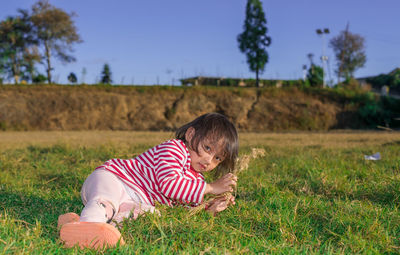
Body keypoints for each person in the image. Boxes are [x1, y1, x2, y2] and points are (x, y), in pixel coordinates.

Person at [58, 112, 239, 249]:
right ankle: (89, 223)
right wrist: (209, 188)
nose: (209, 160)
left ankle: (87, 228)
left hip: (133, 200)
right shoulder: (175, 149)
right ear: (191, 135)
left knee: (150, 213)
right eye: (207, 148)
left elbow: (185, 205)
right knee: (107, 201)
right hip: (116, 178)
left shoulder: (195, 179)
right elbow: (170, 185)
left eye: (217, 158)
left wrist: (211, 207)